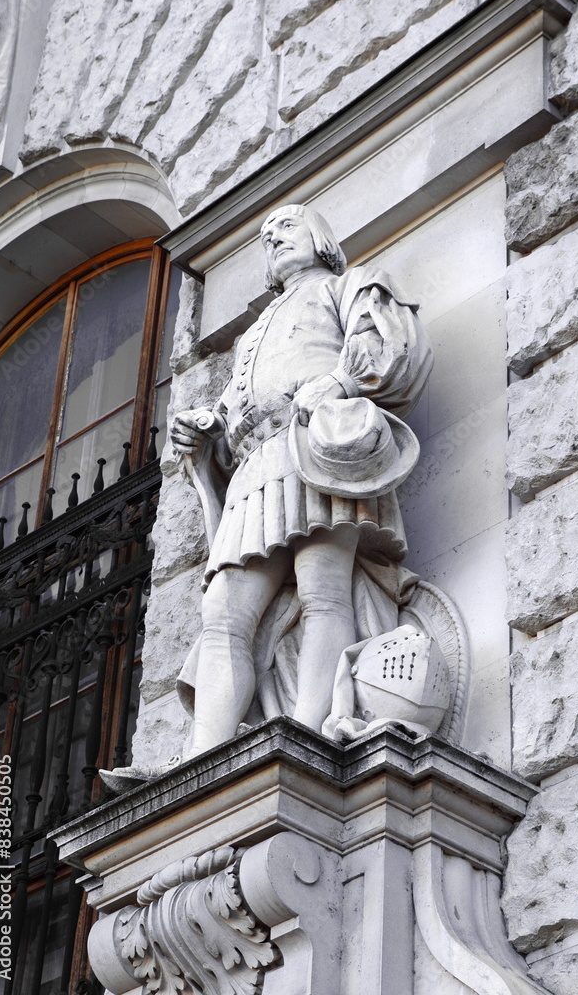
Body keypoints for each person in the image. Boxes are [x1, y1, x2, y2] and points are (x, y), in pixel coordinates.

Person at [168, 204, 434, 759]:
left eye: (286, 226)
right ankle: (201, 761)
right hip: (255, 468)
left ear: (321, 237)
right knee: (223, 613)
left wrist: (339, 380)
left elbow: (391, 337)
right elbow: (231, 416)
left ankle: (308, 738)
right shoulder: (252, 332)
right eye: (264, 236)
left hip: (316, 442)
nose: (273, 239)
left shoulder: (350, 284)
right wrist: (205, 436)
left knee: (324, 588)